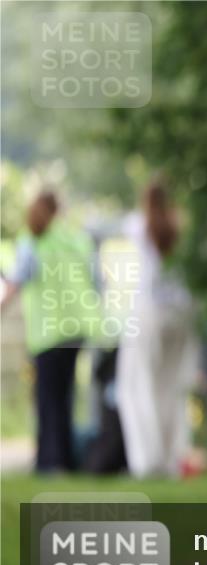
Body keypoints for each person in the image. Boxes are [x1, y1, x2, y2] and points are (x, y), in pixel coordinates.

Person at [1, 190, 101, 473]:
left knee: (48, 398)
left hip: (48, 331)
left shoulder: (33, 241)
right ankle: (64, 459)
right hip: (79, 328)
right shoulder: (78, 240)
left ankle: (50, 461)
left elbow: (16, 282)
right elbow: (97, 282)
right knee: (66, 395)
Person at [116, 178, 200, 478]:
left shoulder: (137, 225)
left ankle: (146, 462)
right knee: (171, 389)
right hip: (182, 315)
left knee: (137, 388)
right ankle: (171, 459)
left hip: (149, 314)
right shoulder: (182, 228)